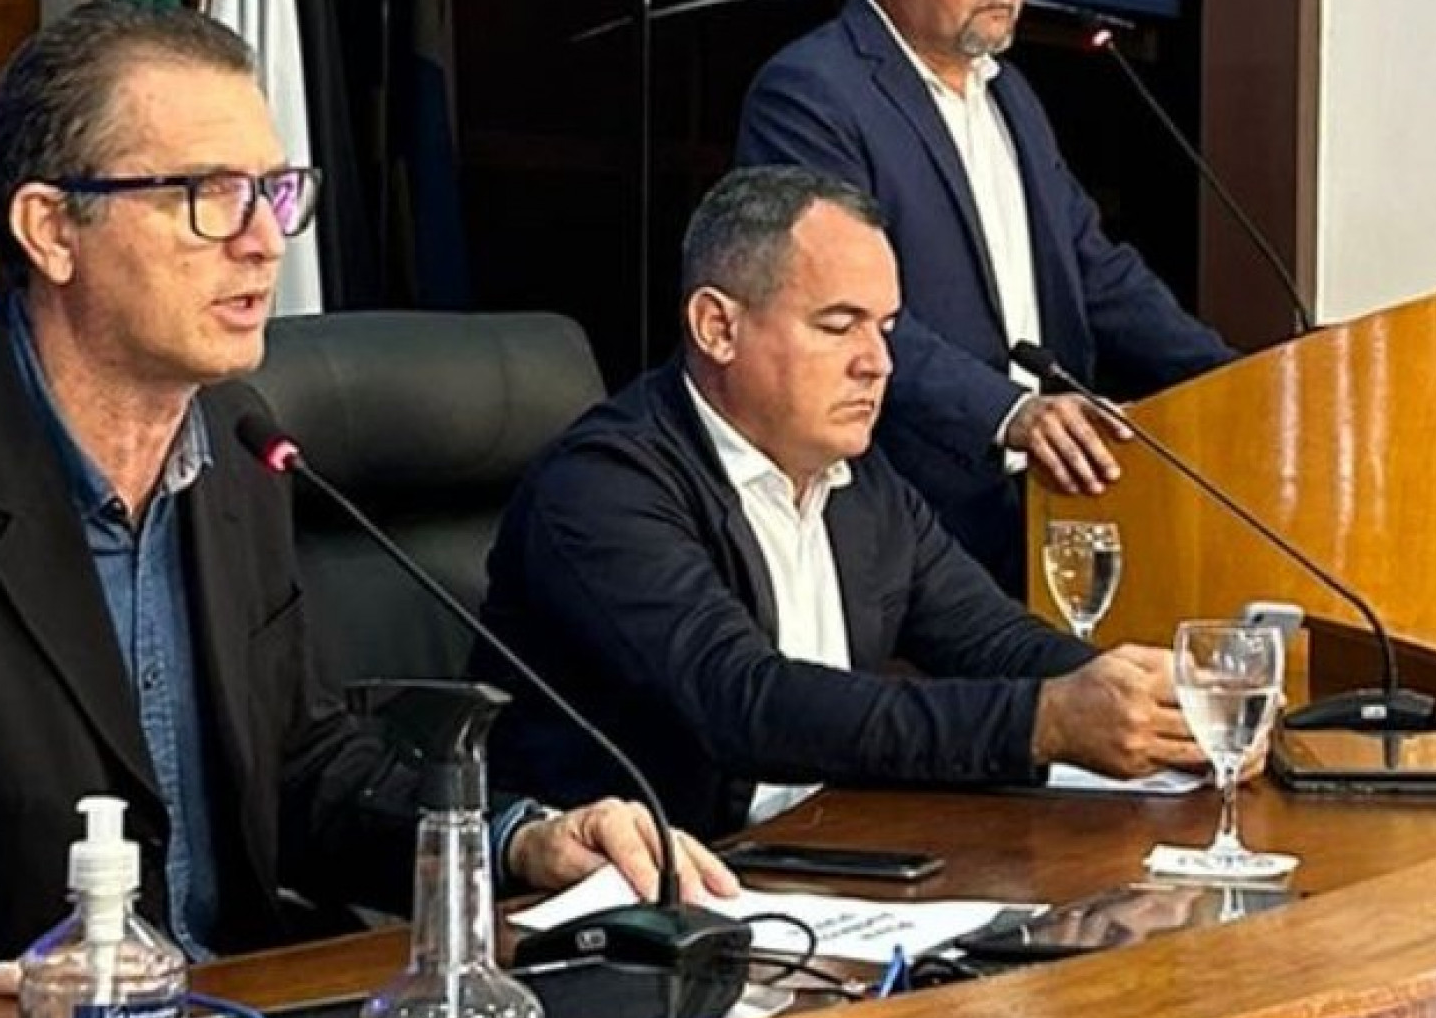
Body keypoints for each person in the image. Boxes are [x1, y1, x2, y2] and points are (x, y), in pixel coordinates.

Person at [0, 3, 730, 1018]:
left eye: (274, 189)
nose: (264, 241)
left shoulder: (236, 452)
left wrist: (516, 840)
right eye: (209, 195)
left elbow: (300, 771)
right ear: (52, 229)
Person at [482, 166, 1206, 835]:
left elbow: (994, 641)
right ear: (717, 327)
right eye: (838, 325)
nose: (878, 361)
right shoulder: (603, 486)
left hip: (828, 861)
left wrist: (1154, 698)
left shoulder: (862, 482)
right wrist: (1044, 722)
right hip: (641, 908)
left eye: (885, 328)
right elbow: (745, 703)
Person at [734, 0, 1233, 590]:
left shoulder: (1011, 95)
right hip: (902, 507)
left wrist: (1236, 380)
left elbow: (1094, 270)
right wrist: (1008, 413)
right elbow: (835, 312)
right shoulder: (813, 93)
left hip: (1041, 502)